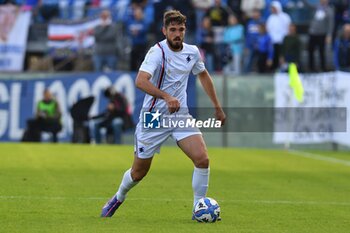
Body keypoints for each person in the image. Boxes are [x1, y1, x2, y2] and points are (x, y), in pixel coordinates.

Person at [100, 10, 226, 219]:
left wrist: (217, 106)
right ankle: (118, 197)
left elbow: (203, 75)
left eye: (181, 30)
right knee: (138, 173)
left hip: (180, 116)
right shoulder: (156, 52)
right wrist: (166, 97)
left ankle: (199, 209)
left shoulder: (192, 52)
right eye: (173, 30)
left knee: (202, 159)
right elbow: (140, 81)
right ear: (164, 31)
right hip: (154, 118)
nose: (177, 34)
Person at [301, 0, 334, 72]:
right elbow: (308, 6)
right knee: (310, 50)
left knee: (321, 51)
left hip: (322, 34)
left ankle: (323, 67)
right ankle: (311, 68)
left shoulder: (329, 10)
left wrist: (329, 35)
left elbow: (331, 24)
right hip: (312, 33)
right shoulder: (316, 7)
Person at [266, 1, 291, 70]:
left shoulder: (285, 16)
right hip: (273, 41)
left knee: (283, 56)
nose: (272, 10)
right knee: (274, 56)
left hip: (283, 40)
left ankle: (284, 69)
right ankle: (274, 69)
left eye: (274, 8)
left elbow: (288, 27)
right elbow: (268, 29)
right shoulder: (270, 18)